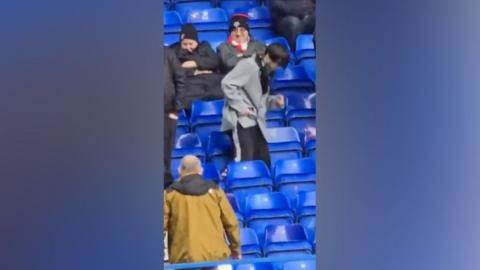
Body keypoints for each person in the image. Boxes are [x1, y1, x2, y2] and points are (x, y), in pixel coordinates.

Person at [221, 43, 290, 168]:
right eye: (277, 64)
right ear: (268, 56)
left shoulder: (264, 71)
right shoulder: (249, 64)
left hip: (257, 122)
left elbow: (259, 100)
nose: (277, 68)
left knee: (264, 164)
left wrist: (274, 101)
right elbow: (227, 83)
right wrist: (241, 107)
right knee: (245, 163)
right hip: (242, 121)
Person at [164, 155, 241, 264]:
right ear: (201, 170)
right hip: (215, 258)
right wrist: (235, 249)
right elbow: (231, 223)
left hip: (183, 260)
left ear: (180, 170)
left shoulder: (170, 194)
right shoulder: (216, 191)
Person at [169, 23, 224, 112]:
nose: (188, 47)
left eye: (191, 43)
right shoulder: (173, 50)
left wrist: (195, 63)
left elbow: (215, 62)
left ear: (196, 41)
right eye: (185, 44)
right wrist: (195, 72)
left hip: (211, 81)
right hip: (190, 84)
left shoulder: (205, 46)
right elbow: (173, 70)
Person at [164, 46, 186, 187]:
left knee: (165, 154)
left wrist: (176, 109)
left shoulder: (166, 53)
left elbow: (181, 79)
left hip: (166, 112)